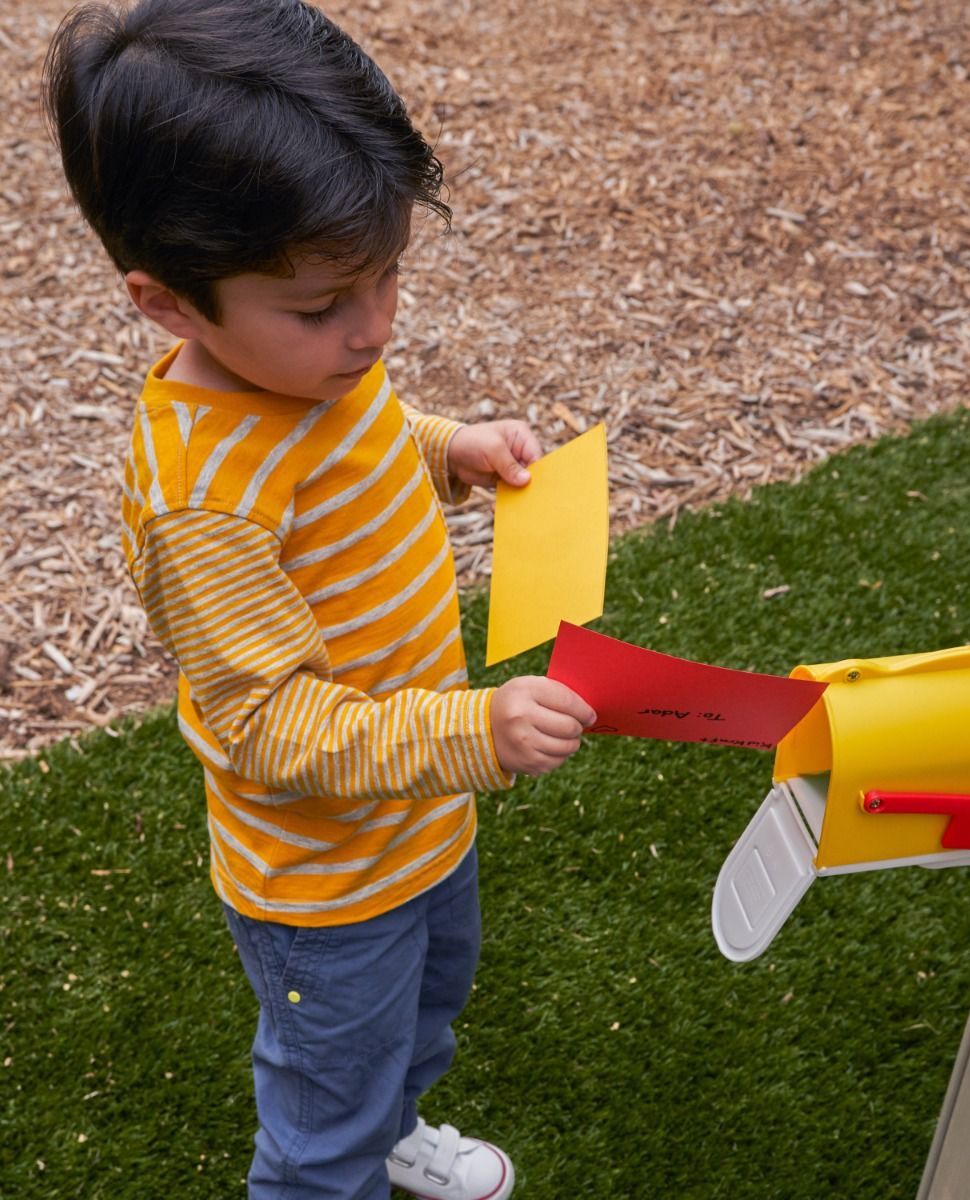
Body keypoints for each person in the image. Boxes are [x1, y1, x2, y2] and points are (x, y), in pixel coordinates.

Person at [43, 2, 597, 1197]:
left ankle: (392, 1130)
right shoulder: (208, 504)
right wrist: (477, 732)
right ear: (167, 304)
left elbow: (370, 434)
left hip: (417, 818)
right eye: (325, 305)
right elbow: (266, 725)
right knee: (321, 1116)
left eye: (388, 275)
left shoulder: (300, 361)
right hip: (324, 885)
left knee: (424, 1018)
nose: (375, 329)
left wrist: (449, 447)